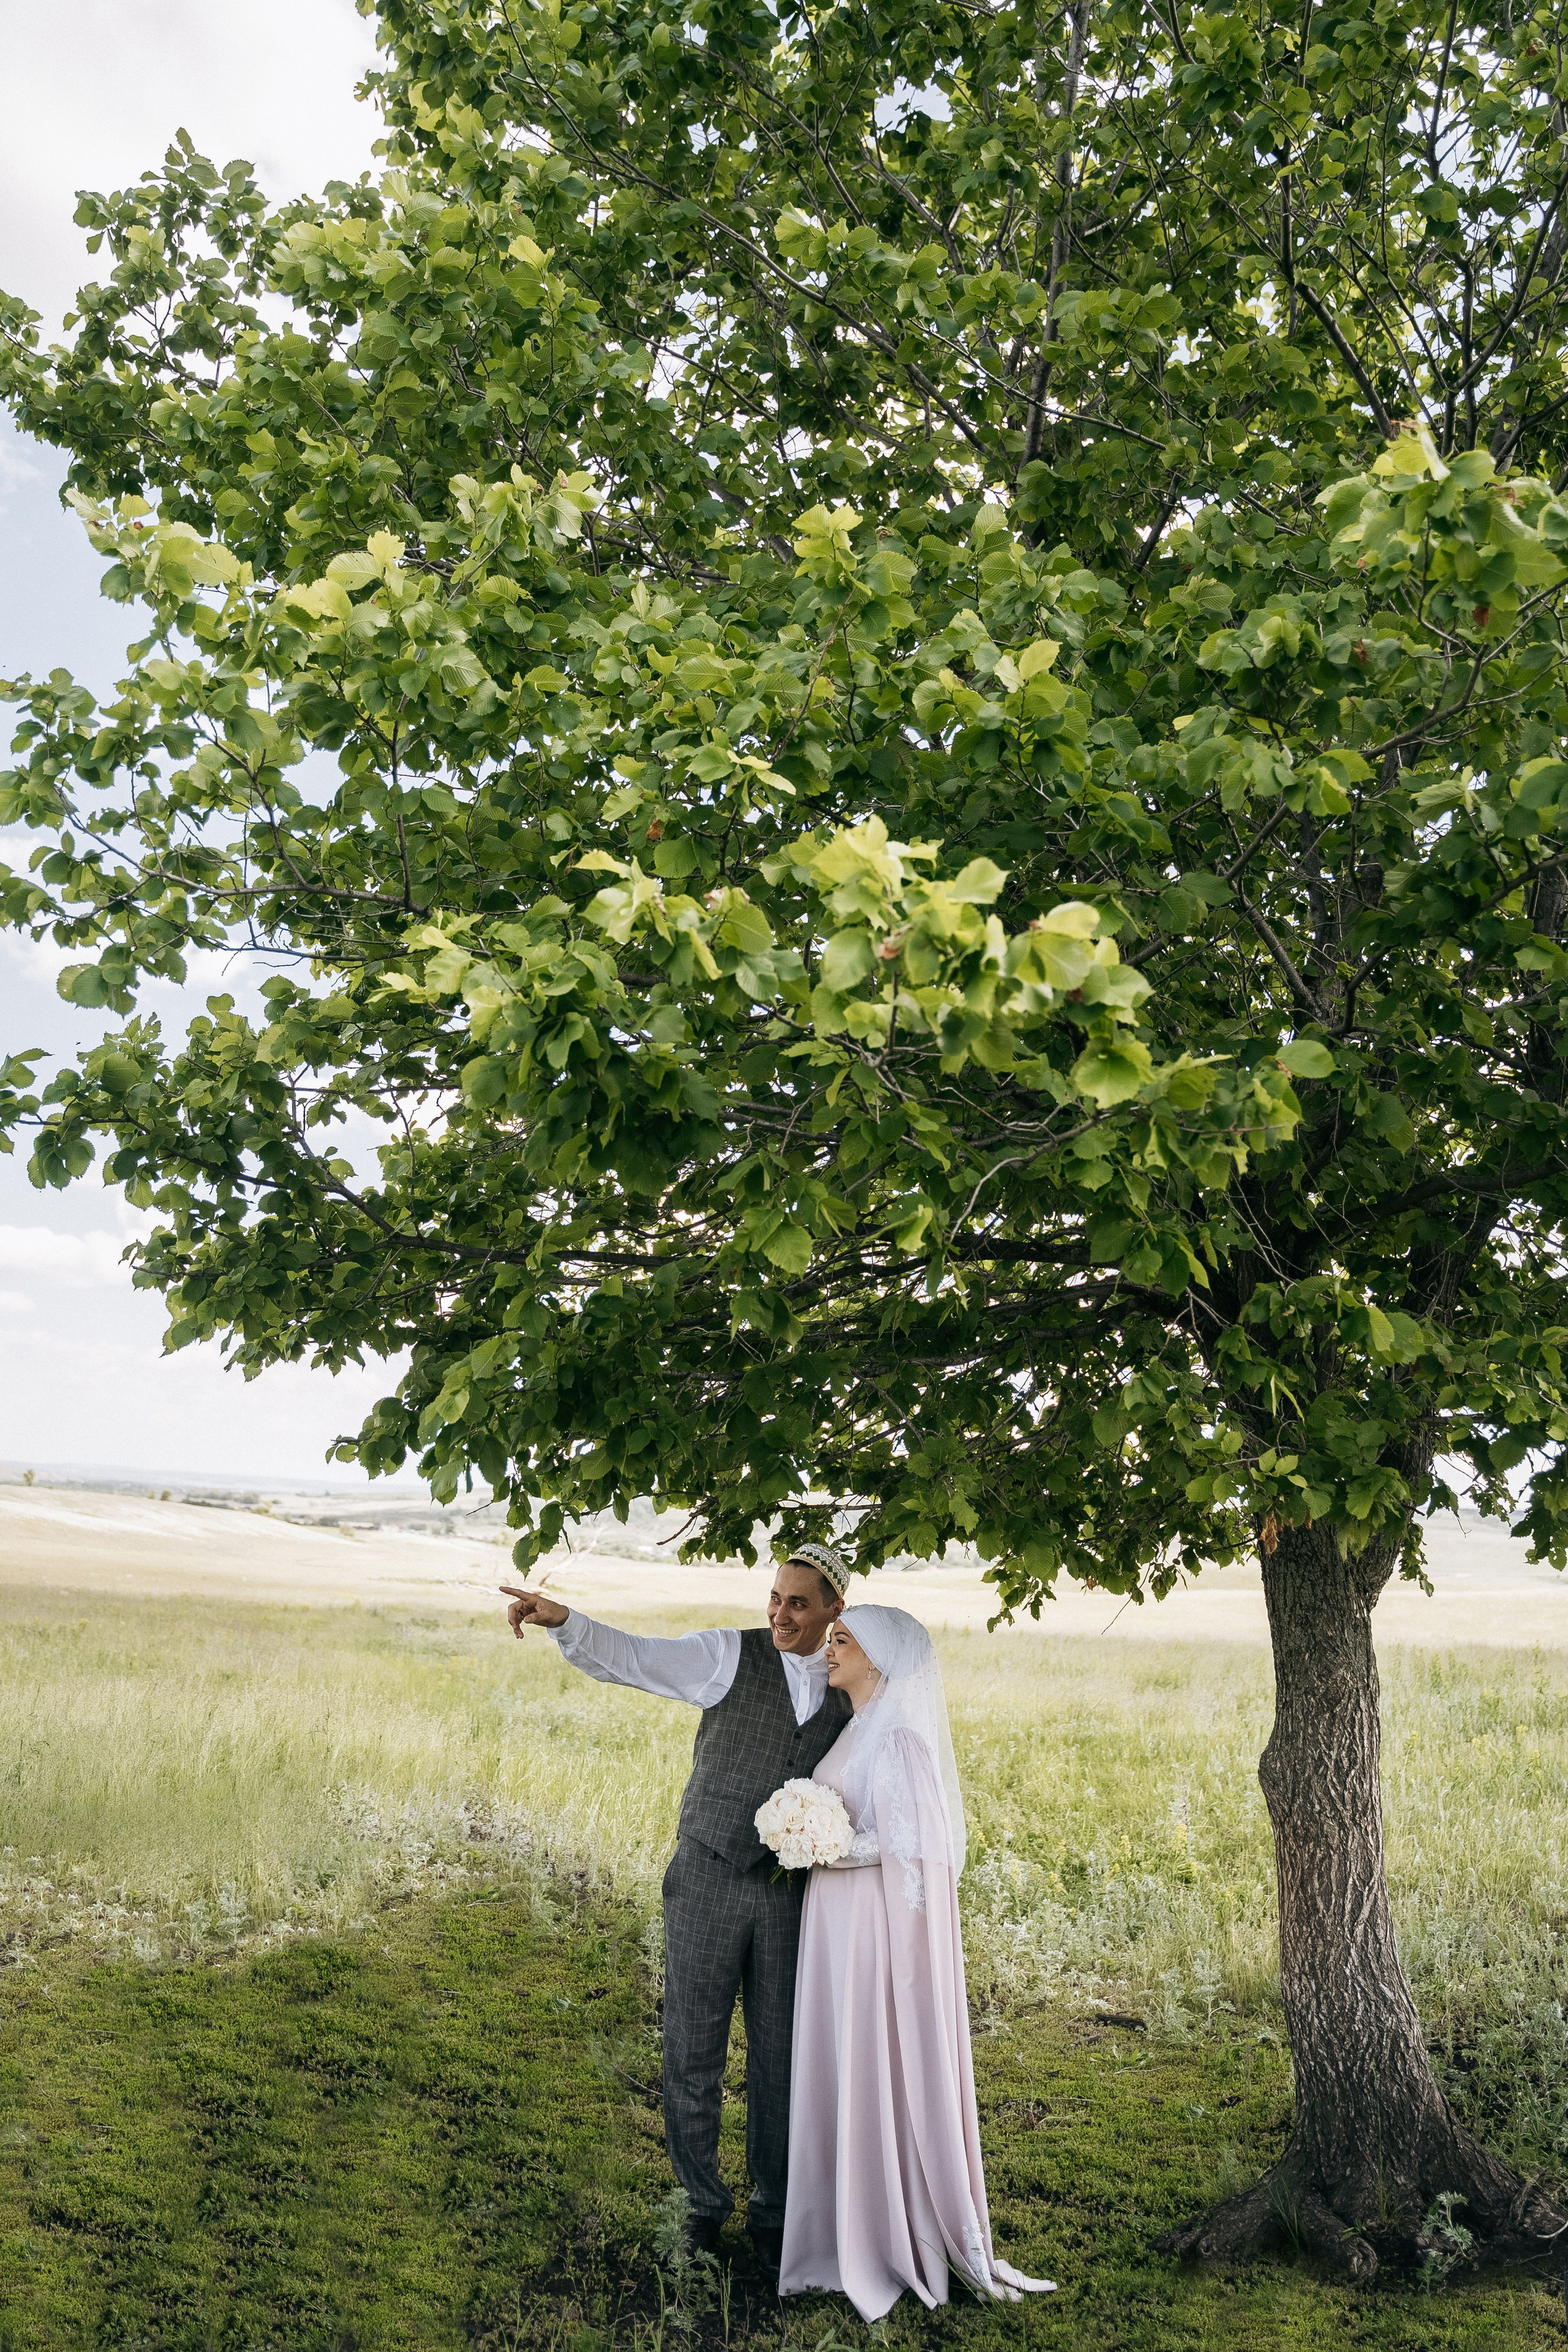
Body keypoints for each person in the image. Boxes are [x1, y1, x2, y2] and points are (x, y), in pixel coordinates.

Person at [500, 1544, 856, 2273]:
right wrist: (565, 1620)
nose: (779, 1613)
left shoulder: (852, 1681)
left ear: (833, 1611)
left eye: (797, 1603)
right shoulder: (728, 1655)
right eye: (775, 1597)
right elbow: (636, 1657)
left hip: (794, 1895)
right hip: (707, 1877)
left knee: (781, 2058)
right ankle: (699, 2207)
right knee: (692, 2051)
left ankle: (776, 2212)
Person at [779, 1604, 1057, 2321]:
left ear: (879, 1659)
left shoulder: (900, 1736)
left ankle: (888, 2230)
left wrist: (825, 1843)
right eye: (832, 1639)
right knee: (840, 2059)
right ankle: (839, 2228)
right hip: (835, 1921)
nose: (829, 1650)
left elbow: (916, 1846)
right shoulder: (860, 1727)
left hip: (868, 1925)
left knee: (872, 2056)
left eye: (843, 1641)